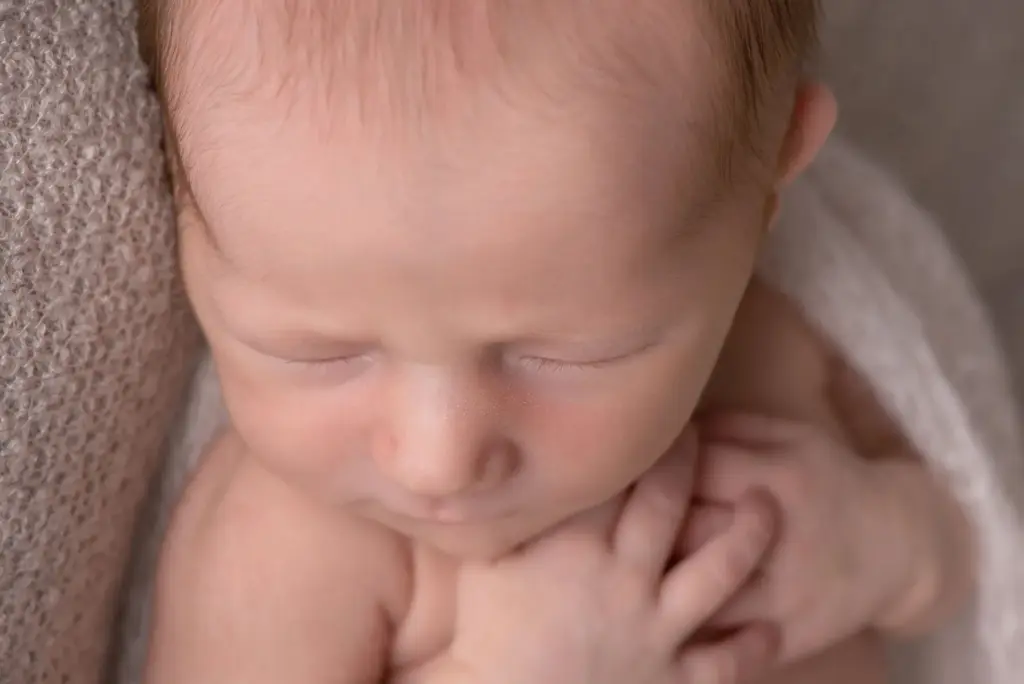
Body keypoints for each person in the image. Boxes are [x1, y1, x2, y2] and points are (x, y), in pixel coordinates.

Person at [137, 1, 974, 682]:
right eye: (316, 353)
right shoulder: (285, 551)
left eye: (568, 356)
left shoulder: (782, 346)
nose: (439, 460)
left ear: (768, 181)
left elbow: (970, 541)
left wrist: (889, 543)